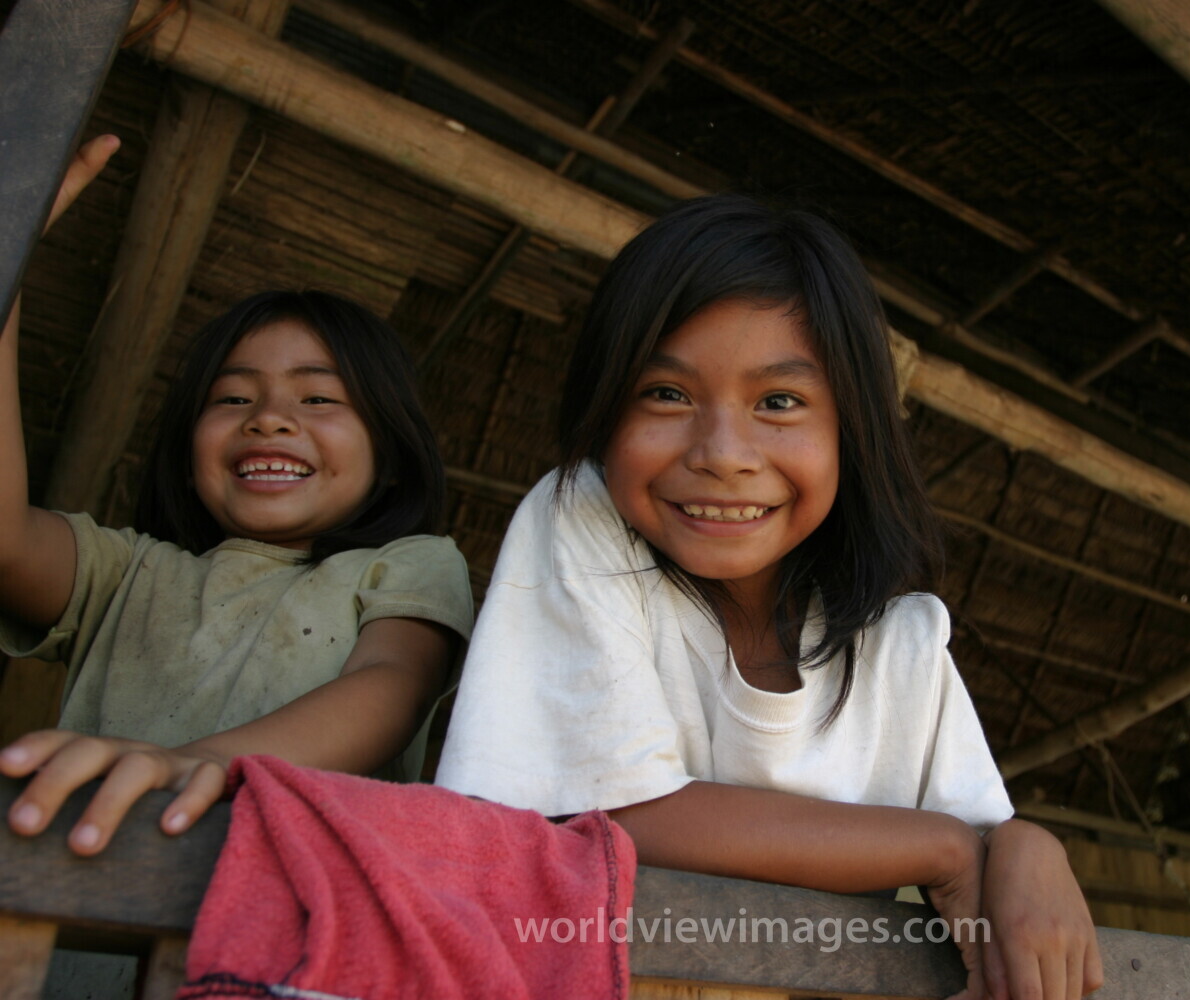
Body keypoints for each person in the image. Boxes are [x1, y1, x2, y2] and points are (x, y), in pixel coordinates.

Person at [436, 195, 1102, 1000]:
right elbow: (611, 820)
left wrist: (1029, 845)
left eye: (778, 402)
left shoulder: (901, 642)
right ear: (604, 410)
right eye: (666, 395)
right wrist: (946, 851)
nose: (723, 455)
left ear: (851, 428)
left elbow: (993, 848)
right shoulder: (579, 520)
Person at [0, 136, 474, 858]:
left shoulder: (411, 565)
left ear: (389, 459)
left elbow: (392, 687)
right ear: (188, 456)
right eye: (232, 397)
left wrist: (202, 763)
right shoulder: (126, 574)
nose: (269, 417)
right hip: (76, 938)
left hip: (287, 940)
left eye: (318, 397)